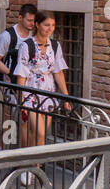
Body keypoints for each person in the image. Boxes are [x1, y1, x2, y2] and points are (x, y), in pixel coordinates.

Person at [14, 10, 73, 153]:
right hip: (30, 92)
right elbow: (21, 74)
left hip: (48, 93)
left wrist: (65, 97)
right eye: (46, 25)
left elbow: (58, 72)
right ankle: (26, 163)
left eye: (53, 25)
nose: (50, 29)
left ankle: (34, 167)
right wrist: (21, 99)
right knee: (39, 132)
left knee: (40, 135)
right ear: (37, 25)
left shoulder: (55, 46)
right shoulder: (26, 46)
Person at [0, 4, 37, 146]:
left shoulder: (34, 37)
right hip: (11, 83)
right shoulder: (7, 36)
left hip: (30, 84)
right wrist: (12, 75)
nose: (32, 24)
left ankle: (22, 152)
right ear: (20, 18)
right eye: (29, 20)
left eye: (34, 21)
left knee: (25, 119)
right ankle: (3, 149)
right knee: (10, 117)